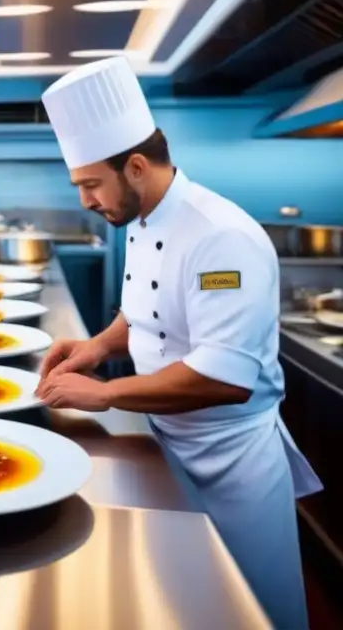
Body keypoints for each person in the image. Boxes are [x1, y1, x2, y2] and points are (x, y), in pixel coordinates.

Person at [35, 55, 322, 630]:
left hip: (232, 465)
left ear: (136, 166)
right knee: (179, 605)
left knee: (248, 610)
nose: (86, 201)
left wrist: (108, 396)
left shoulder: (221, 239)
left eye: (91, 184)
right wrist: (97, 347)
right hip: (167, 443)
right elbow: (145, 315)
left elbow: (223, 378)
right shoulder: (141, 220)